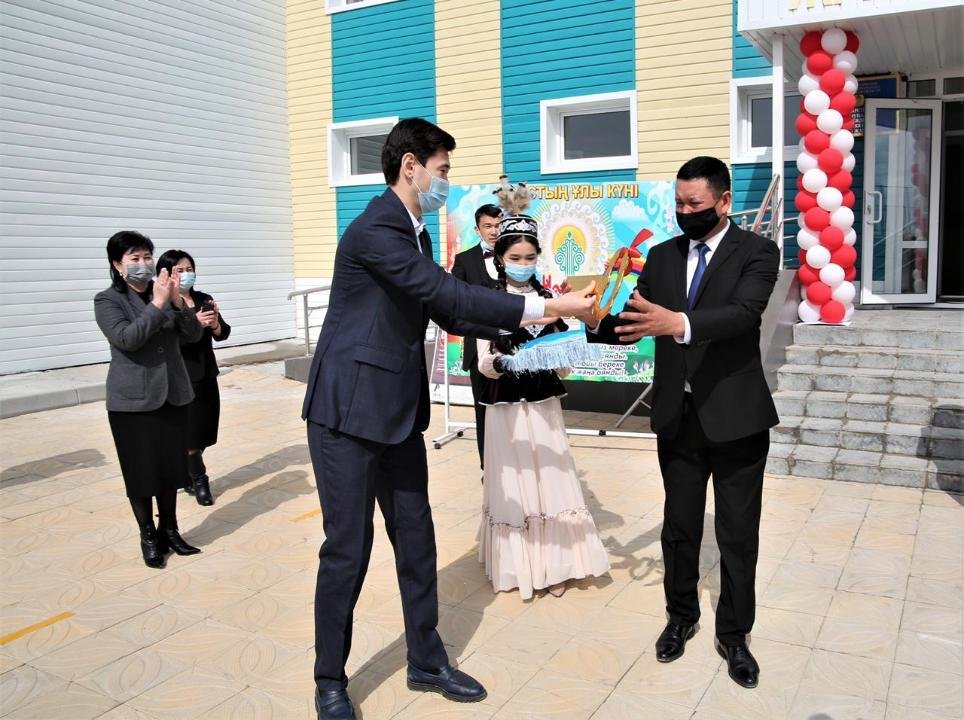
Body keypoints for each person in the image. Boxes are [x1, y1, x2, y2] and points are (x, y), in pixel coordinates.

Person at [301, 117, 595, 720]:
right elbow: (451, 296)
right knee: (348, 551)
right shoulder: (376, 229)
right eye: (442, 170)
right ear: (410, 166)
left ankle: (426, 660)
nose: (446, 182)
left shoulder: (416, 235)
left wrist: (548, 317)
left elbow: (452, 315)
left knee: (416, 539)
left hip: (396, 413)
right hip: (347, 414)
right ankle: (329, 680)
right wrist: (546, 304)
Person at [584, 156, 779, 689]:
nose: (685, 212)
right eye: (679, 203)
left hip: (736, 418)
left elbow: (743, 314)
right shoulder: (662, 255)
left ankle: (734, 634)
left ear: (723, 201)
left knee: (737, 533)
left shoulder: (758, 252)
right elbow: (637, 318)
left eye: (695, 204)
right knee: (680, 527)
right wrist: (592, 319)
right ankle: (681, 617)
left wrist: (679, 322)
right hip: (678, 416)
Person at [476, 206, 610, 600]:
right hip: (506, 409)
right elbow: (483, 363)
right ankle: (519, 565)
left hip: (543, 405)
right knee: (514, 483)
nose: (523, 264)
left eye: (530, 257)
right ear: (500, 257)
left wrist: (563, 347)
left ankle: (558, 564)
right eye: (515, 257)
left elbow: (564, 365)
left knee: (551, 479)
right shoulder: (488, 301)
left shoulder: (552, 300)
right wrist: (507, 361)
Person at [94, 231, 204, 569]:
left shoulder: (166, 293)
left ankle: (170, 530)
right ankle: (148, 536)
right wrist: (157, 305)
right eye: (135, 258)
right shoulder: (108, 301)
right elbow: (127, 339)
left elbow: (193, 335)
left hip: (173, 395)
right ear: (117, 264)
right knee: (141, 472)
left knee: (171, 469)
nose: (143, 264)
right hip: (133, 402)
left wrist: (177, 302)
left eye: (147, 257)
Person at [156, 250, 231, 506]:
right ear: (166, 274)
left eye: (189, 269)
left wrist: (214, 324)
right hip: (179, 376)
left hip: (206, 373)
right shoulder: (161, 305)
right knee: (189, 434)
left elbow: (223, 333)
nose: (186, 274)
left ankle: (188, 469)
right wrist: (193, 323)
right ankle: (200, 480)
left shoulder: (203, 299)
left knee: (205, 431)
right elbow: (166, 340)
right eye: (180, 270)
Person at [451, 204, 503, 471]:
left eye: (498, 225)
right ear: (477, 229)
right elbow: (455, 303)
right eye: (488, 226)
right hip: (480, 351)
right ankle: (489, 472)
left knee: (514, 411)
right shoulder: (465, 260)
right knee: (484, 411)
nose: (494, 231)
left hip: (514, 349)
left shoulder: (516, 256)